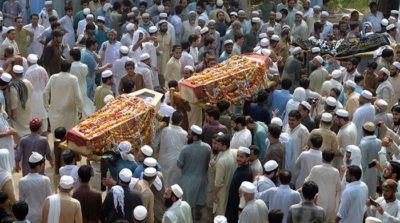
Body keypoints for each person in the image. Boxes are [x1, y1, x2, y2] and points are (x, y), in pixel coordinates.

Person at [177, 125, 211, 220]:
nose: (187, 135)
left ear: (195, 136)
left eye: (189, 134)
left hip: (188, 180)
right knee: (199, 200)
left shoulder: (185, 149)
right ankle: (197, 214)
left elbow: (179, 164)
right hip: (202, 179)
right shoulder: (207, 148)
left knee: (188, 204)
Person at [43, 59, 83, 133]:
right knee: (68, 135)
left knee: (56, 135)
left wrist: (47, 107)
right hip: (69, 113)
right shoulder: (73, 79)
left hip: (55, 111)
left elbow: (45, 92)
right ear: (69, 68)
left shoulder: (53, 77)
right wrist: (80, 109)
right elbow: (78, 96)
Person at [306, 150, 341, 223]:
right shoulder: (335, 171)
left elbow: (307, 182)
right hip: (331, 202)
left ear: (322, 158)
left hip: (318, 200)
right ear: (332, 159)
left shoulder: (315, 169)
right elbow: (338, 188)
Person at [19, 152, 52, 223]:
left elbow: (21, 200)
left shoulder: (22, 181)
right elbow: (49, 199)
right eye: (43, 164)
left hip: (28, 215)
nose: (43, 165)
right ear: (38, 166)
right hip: (43, 214)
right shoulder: (45, 180)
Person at [225, 146, 253, 223]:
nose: (238, 158)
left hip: (236, 207)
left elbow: (244, 195)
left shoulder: (246, 173)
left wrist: (240, 210)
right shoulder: (241, 168)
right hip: (232, 204)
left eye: (241, 157)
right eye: (237, 156)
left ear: (247, 158)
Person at [159, 111, 187, 187]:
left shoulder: (165, 130)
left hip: (164, 160)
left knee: (163, 182)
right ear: (181, 121)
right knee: (174, 185)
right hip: (176, 161)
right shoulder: (184, 134)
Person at [213, 134, 237, 215]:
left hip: (222, 190)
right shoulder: (234, 152)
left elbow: (218, 183)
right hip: (231, 187)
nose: (216, 146)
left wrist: (214, 194)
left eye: (218, 144)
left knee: (220, 211)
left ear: (224, 146)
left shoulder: (222, 161)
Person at [24, 54, 48, 131]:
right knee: (44, 114)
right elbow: (47, 82)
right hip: (43, 94)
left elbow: (26, 87)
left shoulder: (28, 72)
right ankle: (44, 130)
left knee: (34, 114)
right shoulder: (42, 69)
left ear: (28, 62)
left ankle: (36, 130)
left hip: (33, 96)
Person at [9, 65, 33, 143]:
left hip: (18, 111)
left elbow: (14, 102)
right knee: (27, 125)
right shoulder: (28, 82)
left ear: (13, 74)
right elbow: (32, 91)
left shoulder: (13, 86)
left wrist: (13, 113)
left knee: (19, 129)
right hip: (28, 108)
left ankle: (22, 144)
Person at [69, 48, 95, 118]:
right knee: (84, 103)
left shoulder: (70, 66)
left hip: (74, 89)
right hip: (83, 87)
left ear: (71, 57)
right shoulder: (84, 66)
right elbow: (85, 75)